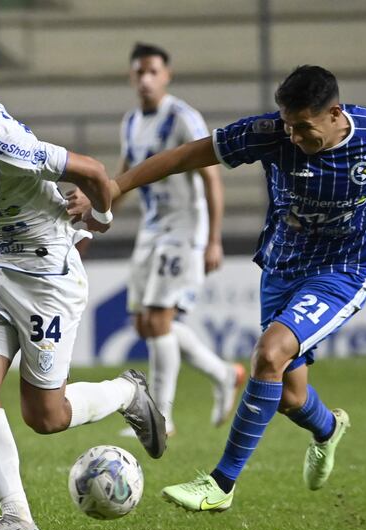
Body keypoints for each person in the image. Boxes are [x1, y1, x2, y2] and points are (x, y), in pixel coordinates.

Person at [77, 65, 366, 512]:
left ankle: (220, 485)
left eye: (303, 127)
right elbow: (186, 155)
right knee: (289, 396)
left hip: (344, 270)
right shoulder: (270, 133)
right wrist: (114, 184)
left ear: (335, 114)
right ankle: (327, 429)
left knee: (268, 355)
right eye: (288, 126)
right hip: (282, 268)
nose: (294, 136)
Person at [0, 57, 166, 530]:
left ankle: (127, 393)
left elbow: (91, 170)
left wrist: (101, 217)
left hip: (45, 277)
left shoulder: (6, 143)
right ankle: (15, 519)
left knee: (45, 417)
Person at [68, 43, 245, 437]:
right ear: (132, 77)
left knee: (160, 320)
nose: (146, 79)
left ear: (167, 76)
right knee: (146, 324)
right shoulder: (131, 122)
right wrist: (100, 216)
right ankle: (224, 373)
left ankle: (160, 417)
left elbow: (211, 177)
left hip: (185, 228)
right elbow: (125, 178)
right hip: (152, 229)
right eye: (139, 72)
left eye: (153, 71)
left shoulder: (183, 118)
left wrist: (213, 238)